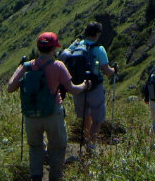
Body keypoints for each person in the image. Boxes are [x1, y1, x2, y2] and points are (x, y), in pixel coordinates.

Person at [7, 32, 91, 181]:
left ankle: (36, 176)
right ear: (53, 49)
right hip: (53, 113)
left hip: (31, 114)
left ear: (39, 48)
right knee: (57, 148)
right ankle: (55, 177)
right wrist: (85, 85)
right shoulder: (58, 66)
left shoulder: (27, 66)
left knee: (35, 147)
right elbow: (72, 89)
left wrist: (21, 66)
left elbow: (10, 87)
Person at [65, 21, 117, 151]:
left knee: (85, 115)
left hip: (78, 87)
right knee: (97, 118)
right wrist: (115, 70)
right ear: (97, 34)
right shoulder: (99, 49)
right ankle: (91, 145)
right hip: (94, 87)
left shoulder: (75, 46)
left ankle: (86, 139)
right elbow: (107, 71)